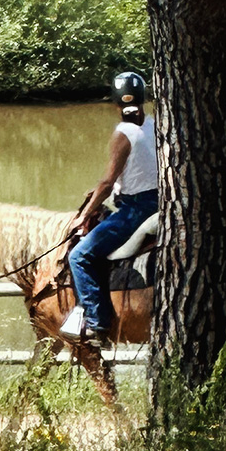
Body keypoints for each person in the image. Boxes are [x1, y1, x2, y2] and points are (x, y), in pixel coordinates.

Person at [60, 71, 160, 342]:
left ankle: (96, 321)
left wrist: (85, 214)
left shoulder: (122, 134)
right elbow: (141, 169)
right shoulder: (155, 126)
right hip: (160, 201)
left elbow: (106, 183)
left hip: (136, 209)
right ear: (142, 99)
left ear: (116, 103)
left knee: (79, 256)